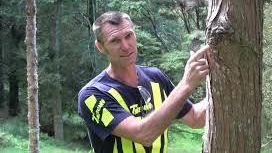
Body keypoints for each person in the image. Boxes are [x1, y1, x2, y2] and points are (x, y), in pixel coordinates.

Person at [78, 11, 210, 153]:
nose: (126, 46)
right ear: (101, 47)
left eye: (129, 36)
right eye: (115, 40)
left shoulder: (155, 77)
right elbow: (144, 134)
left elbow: (195, 118)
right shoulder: (92, 95)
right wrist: (186, 84)